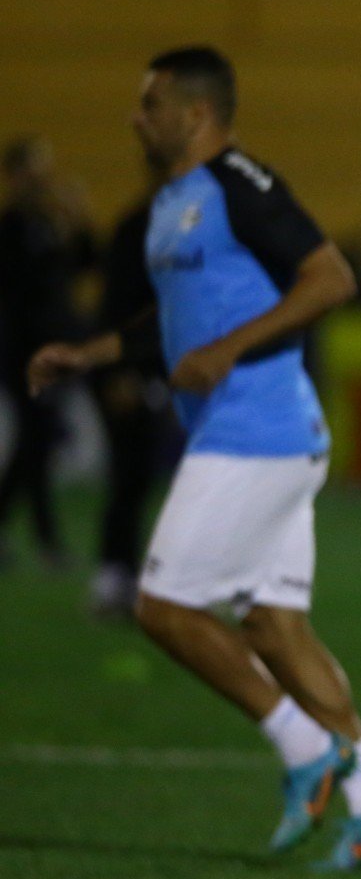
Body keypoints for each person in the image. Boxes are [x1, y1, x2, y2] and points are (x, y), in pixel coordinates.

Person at [28, 45, 361, 870]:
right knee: (273, 627)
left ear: (196, 113)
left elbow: (330, 279)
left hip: (259, 429)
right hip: (255, 433)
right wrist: (90, 353)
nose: (138, 118)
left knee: (162, 606)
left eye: (151, 104)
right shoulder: (174, 204)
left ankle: (302, 745)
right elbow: (171, 327)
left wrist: (228, 349)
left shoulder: (241, 184)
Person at [86, 184, 176, 618]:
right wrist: (117, 371)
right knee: (130, 475)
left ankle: (168, 579)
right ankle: (114, 575)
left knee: (170, 479)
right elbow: (115, 304)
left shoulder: (201, 222)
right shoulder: (138, 226)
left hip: (178, 370)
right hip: (136, 368)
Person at [0, 136, 79, 570]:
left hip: (54, 350)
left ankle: (40, 539)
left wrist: (76, 221)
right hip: (25, 352)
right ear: (15, 175)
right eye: (36, 168)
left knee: (35, 442)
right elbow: (26, 289)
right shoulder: (11, 227)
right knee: (36, 441)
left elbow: (86, 263)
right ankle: (48, 542)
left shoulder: (49, 223)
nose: (44, 177)